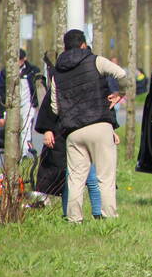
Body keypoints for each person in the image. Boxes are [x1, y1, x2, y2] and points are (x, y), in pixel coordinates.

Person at [47, 29, 129, 223]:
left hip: (73, 131)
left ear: (65, 48)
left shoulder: (56, 72)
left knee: (75, 178)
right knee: (105, 177)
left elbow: (54, 107)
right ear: (84, 44)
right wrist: (121, 93)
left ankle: (74, 219)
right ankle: (109, 219)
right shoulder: (95, 60)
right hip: (100, 125)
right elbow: (122, 74)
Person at [34, 61, 104, 219]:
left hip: (88, 133)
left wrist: (109, 129)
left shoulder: (91, 83)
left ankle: (99, 215)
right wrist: (47, 130)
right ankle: (69, 215)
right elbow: (49, 108)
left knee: (92, 177)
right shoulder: (60, 83)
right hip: (64, 136)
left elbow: (100, 109)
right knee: (69, 179)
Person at [0, 48, 40, 156]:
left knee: (26, 128)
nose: (18, 63)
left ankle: (25, 153)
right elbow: (1, 89)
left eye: (20, 60)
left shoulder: (32, 70)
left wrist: (36, 102)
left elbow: (37, 87)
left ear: (24, 59)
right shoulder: (6, 72)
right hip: (12, 105)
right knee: (13, 129)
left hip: (28, 104)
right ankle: (14, 154)